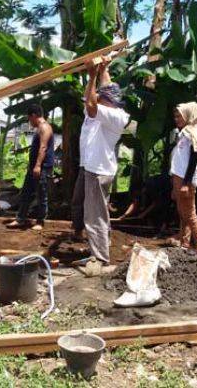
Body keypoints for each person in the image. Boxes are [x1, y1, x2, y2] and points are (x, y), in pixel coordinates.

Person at [72, 56, 130, 264]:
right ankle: (99, 248)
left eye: (101, 96)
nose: (97, 96)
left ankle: (99, 257)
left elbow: (91, 104)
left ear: (108, 101)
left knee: (95, 215)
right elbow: (104, 90)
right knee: (95, 210)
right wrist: (104, 68)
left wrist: (92, 75)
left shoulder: (115, 116)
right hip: (90, 167)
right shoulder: (104, 110)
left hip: (98, 170)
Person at [170, 101, 197, 260]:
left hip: (185, 179)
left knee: (190, 214)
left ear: (188, 115)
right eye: (175, 116)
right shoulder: (186, 132)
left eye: (179, 116)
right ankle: (185, 244)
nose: (176, 119)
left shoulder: (192, 132)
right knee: (183, 213)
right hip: (179, 177)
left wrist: (187, 183)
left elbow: (194, 160)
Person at [6, 104, 54, 231]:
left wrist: (38, 165)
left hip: (42, 168)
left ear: (33, 116)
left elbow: (43, 147)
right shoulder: (39, 128)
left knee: (41, 195)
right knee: (26, 193)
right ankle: (20, 219)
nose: (29, 121)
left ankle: (40, 221)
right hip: (34, 168)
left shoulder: (44, 127)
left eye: (29, 119)